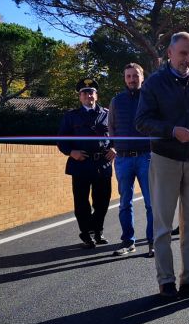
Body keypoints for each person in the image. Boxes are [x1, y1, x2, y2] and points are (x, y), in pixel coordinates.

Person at [135, 32, 189, 298]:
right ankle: (166, 280)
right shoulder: (153, 84)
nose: (188, 58)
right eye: (183, 53)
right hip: (165, 159)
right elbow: (142, 121)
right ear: (170, 54)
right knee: (163, 225)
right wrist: (172, 130)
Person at [57, 79, 115, 249]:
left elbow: (118, 134)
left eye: (91, 92)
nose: (88, 95)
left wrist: (115, 148)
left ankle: (98, 231)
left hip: (102, 164)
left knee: (102, 202)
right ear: (80, 97)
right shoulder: (71, 116)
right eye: (84, 92)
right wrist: (71, 152)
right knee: (82, 203)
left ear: (96, 95)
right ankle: (87, 234)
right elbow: (61, 141)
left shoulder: (108, 114)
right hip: (80, 164)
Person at [108, 63, 154, 258]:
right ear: (124, 79)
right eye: (128, 76)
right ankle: (128, 242)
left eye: (135, 76)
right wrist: (115, 147)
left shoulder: (151, 98)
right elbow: (111, 127)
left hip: (147, 157)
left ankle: (153, 243)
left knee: (152, 203)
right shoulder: (116, 101)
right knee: (124, 203)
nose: (132, 79)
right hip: (124, 160)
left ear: (142, 77)